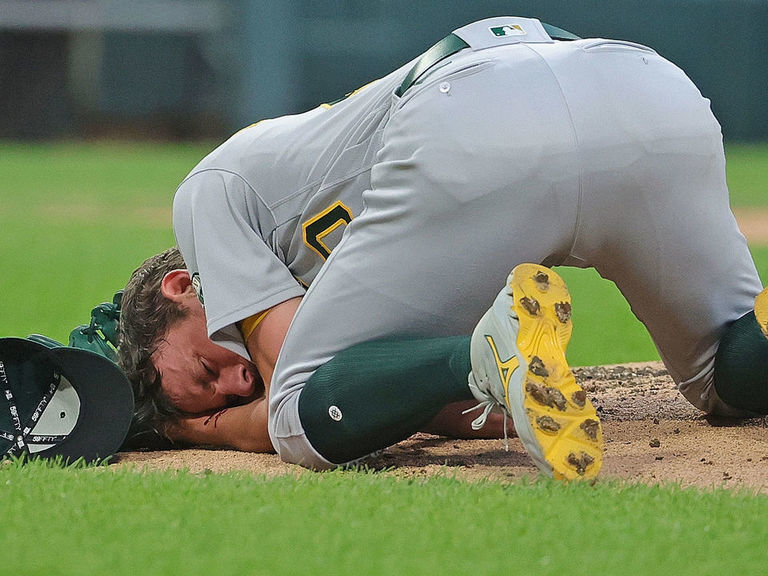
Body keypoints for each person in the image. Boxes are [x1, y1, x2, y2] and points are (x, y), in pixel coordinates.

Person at [118, 16, 768, 480]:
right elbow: (450, 414)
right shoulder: (378, 267)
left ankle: (484, 356)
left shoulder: (207, 194)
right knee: (728, 379)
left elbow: (298, 385)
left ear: (181, 287)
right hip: (644, 89)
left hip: (478, 121)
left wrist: (199, 427)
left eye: (209, 369)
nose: (238, 380)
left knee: (294, 415)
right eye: (227, 395)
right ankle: (491, 358)